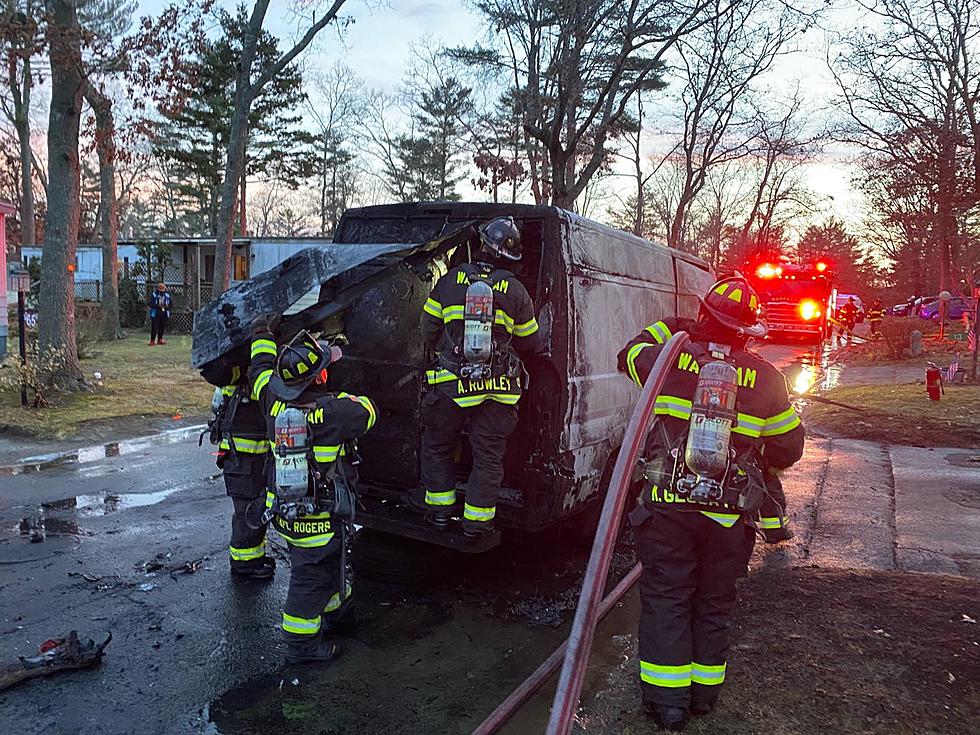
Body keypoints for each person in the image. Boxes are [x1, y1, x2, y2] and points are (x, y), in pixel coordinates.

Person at [617, 275, 805, 731]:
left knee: (667, 597)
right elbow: (787, 450)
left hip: (667, 508)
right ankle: (703, 697)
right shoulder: (766, 376)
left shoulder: (665, 358)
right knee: (714, 601)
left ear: (703, 314)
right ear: (747, 330)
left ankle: (667, 705)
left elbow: (627, 355)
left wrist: (673, 327)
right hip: (728, 516)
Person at [248, 319, 377, 664]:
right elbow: (368, 413)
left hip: (289, 514)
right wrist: (342, 394)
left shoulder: (273, 401)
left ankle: (335, 611)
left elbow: (260, 374)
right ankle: (302, 646)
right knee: (310, 577)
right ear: (318, 377)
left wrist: (262, 335)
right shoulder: (335, 411)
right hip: (319, 519)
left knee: (326, 564)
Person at [416, 217, 542, 537]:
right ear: (508, 256)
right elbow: (531, 343)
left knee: (439, 444)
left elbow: (428, 328)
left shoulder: (451, 280)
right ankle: (476, 524)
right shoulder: (516, 290)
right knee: (488, 455)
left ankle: (441, 513)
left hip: (451, 385)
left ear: (481, 244)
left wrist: (446, 349)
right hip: (498, 390)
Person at [205, 368, 276, 581]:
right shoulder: (252, 378)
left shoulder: (233, 373)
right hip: (244, 458)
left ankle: (254, 558)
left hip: (245, 458)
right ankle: (244, 565)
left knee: (255, 507)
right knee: (248, 512)